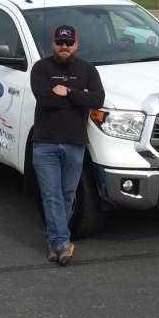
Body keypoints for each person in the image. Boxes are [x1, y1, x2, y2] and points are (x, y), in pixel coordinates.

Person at [30, 23, 105, 266]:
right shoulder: (41, 68)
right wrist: (80, 97)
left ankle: (53, 242)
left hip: (75, 143)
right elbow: (45, 99)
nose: (64, 46)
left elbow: (98, 99)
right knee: (51, 194)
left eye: (69, 42)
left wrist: (68, 91)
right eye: (60, 42)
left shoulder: (88, 69)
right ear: (52, 44)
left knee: (67, 195)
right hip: (45, 143)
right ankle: (63, 242)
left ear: (76, 44)